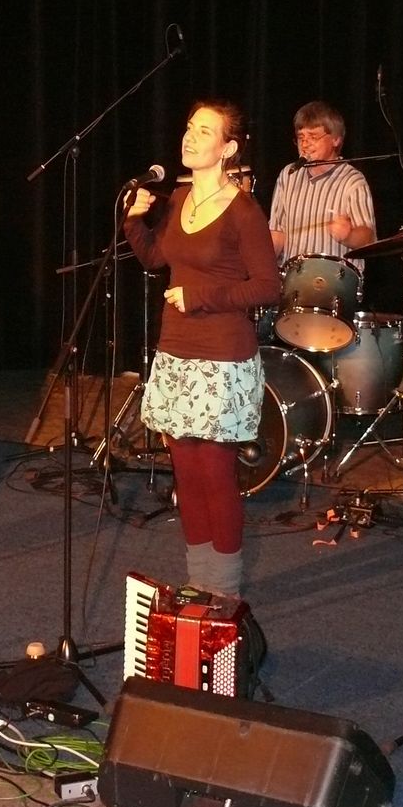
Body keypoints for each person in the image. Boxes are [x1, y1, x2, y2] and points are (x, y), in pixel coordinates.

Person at [124, 100, 280, 597]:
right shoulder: (177, 198)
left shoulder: (243, 211)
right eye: (189, 127)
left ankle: (224, 591)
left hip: (222, 356)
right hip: (176, 351)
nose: (189, 137)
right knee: (186, 474)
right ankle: (198, 582)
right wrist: (134, 223)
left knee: (215, 473)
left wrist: (201, 296)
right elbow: (156, 258)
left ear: (228, 148)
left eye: (204, 131)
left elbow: (267, 287)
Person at [268, 100, 376, 262]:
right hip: (293, 275)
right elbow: (277, 234)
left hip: (335, 276)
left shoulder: (352, 181)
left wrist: (348, 235)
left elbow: (368, 238)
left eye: (313, 136)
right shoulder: (288, 175)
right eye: (301, 137)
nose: (305, 144)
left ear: (336, 139)